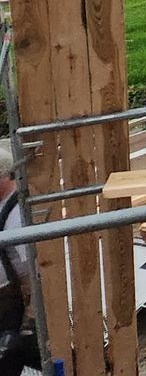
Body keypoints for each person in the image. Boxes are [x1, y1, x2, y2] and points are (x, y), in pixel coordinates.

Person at [0, 146, 37, 376]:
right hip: (6, 302)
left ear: (4, 177)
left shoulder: (18, 215)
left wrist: (28, 316)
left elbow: (31, 273)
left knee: (11, 353)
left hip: (11, 304)